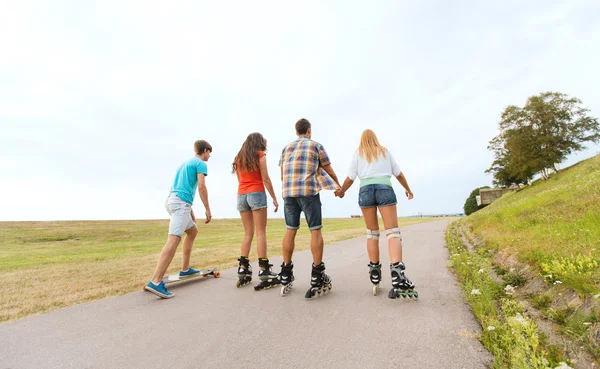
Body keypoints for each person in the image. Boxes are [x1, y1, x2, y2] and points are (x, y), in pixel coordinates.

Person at [337, 129, 417, 299]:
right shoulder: (384, 151)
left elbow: (350, 177)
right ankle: (398, 275)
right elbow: (399, 174)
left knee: (372, 233)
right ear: (375, 139)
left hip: (365, 191)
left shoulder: (358, 154)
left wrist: (342, 191)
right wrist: (408, 189)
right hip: (385, 189)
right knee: (392, 232)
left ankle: (374, 273)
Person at [278, 118, 342, 298]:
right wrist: (338, 187)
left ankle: (285, 273)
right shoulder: (316, 146)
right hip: (308, 191)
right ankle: (317, 275)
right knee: (315, 231)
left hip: (289, 193)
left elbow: (282, 173)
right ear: (309, 130)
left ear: (296, 131)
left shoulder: (286, 148)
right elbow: (329, 170)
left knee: (290, 230)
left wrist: (287, 190)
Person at [144, 140, 213, 299]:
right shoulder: (201, 164)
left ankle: (185, 268)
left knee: (192, 231)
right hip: (181, 204)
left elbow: (184, 187)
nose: (209, 156)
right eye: (209, 153)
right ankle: (156, 281)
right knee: (173, 240)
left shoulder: (185, 163)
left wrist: (190, 210)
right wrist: (208, 209)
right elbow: (201, 187)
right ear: (205, 150)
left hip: (173, 201)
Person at [232, 132, 281, 291]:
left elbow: (240, 180)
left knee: (248, 233)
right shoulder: (260, 155)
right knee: (261, 232)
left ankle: (243, 268)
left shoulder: (239, 158)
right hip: (256, 193)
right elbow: (265, 178)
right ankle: (264, 269)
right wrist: (274, 197)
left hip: (241, 195)